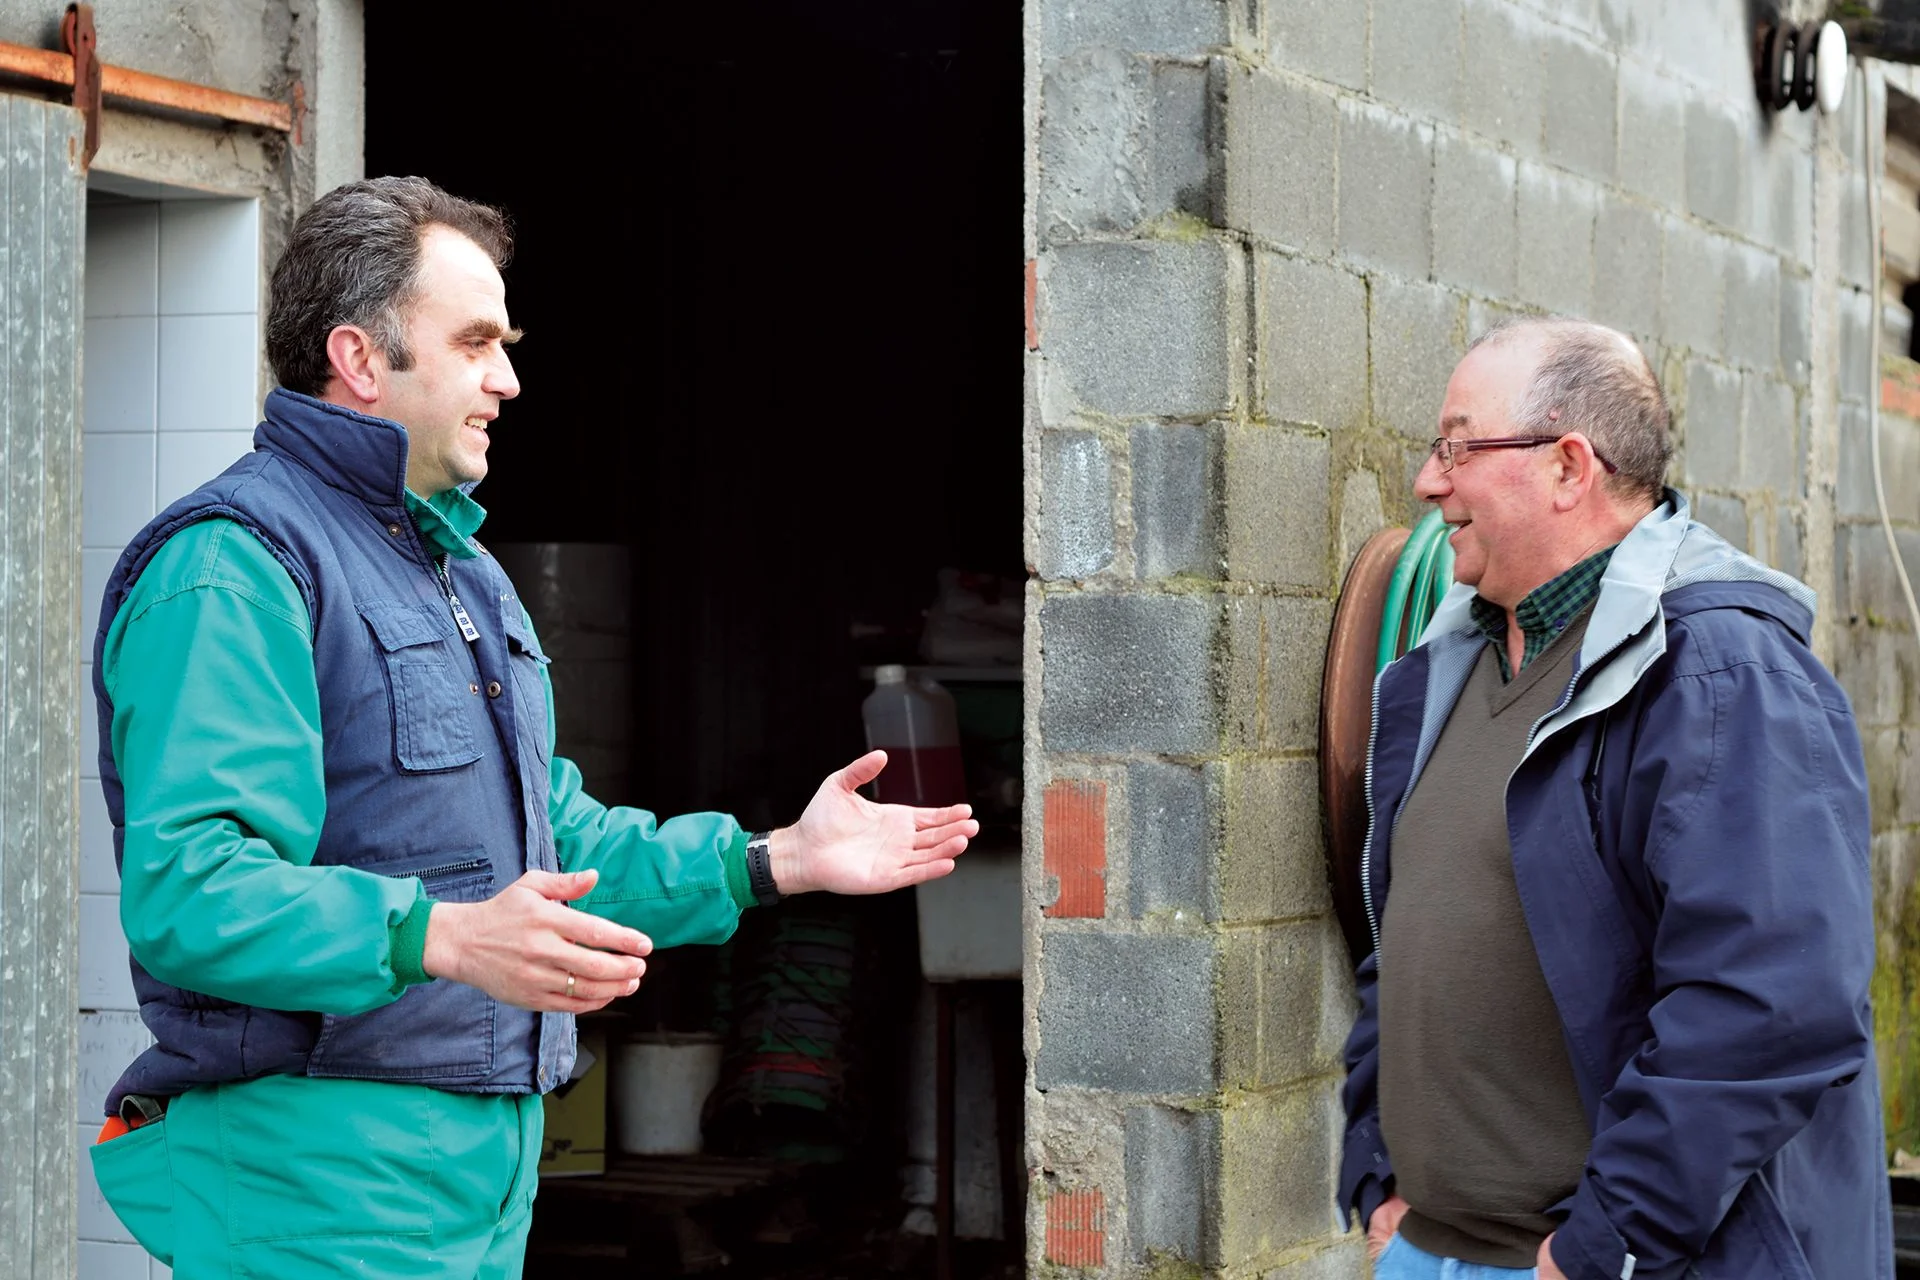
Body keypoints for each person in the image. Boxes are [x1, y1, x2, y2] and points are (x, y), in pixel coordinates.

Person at [86, 175, 978, 1279]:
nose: (507, 378)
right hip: (317, 1173)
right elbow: (193, 888)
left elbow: (555, 848)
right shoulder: (234, 567)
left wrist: (774, 860)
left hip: (476, 1180)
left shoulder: (457, 570)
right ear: (361, 359)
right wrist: (446, 936)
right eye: (474, 343)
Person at [1340, 317, 1891, 1280]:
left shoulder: (1721, 673)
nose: (1430, 482)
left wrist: (1607, 1246)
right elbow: (1407, 936)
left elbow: (1770, 1005)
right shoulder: (1442, 667)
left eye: (1456, 446)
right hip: (1427, 1247)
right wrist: (1376, 1170)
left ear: (1567, 466)